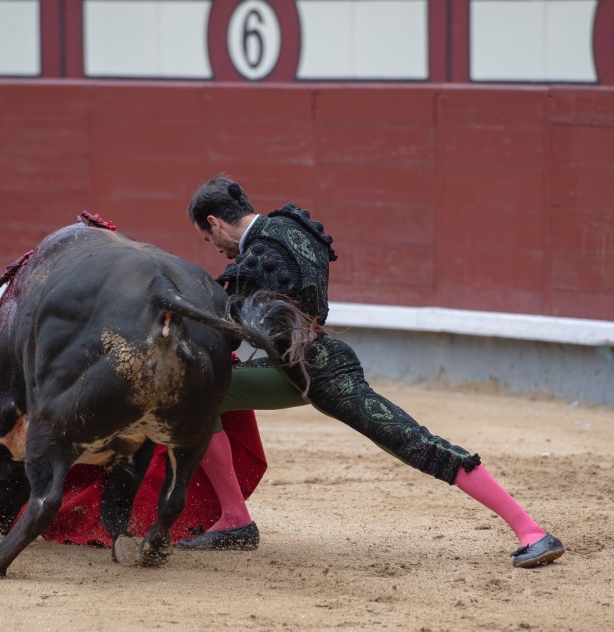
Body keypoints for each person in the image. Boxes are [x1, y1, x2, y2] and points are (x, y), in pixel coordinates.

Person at [177, 174, 566, 569]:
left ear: (215, 222)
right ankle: (235, 520)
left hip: (323, 374)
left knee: (414, 442)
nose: (216, 249)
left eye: (209, 239)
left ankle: (531, 530)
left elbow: (227, 317)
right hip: (298, 367)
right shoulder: (290, 225)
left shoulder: (258, 256)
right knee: (204, 395)